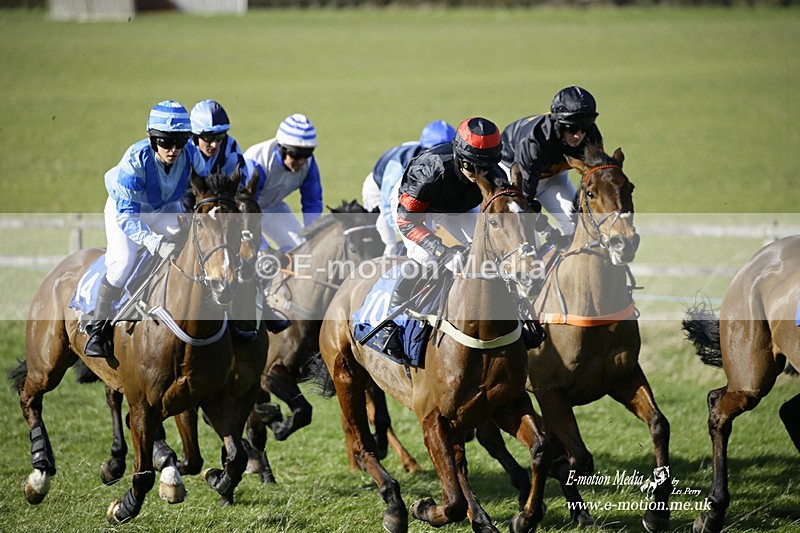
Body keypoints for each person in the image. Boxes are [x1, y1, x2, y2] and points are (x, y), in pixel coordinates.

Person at [84, 100, 207, 358]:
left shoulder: (192, 154)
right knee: (123, 263)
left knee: (191, 242)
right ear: (153, 139)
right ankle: (98, 329)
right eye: (165, 142)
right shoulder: (134, 159)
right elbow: (128, 217)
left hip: (163, 207)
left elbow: (205, 187)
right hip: (127, 210)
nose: (173, 150)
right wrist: (155, 243)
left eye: (180, 142)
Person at [500, 85, 603, 240]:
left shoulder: (591, 136)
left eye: (584, 128)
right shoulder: (535, 141)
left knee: (580, 227)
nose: (578, 136)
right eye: (572, 128)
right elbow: (525, 196)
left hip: (553, 176)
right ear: (558, 123)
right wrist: (545, 229)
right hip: (515, 176)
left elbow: (598, 178)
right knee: (526, 237)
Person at [361, 120, 456, 256]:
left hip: (415, 187)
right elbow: (389, 205)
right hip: (380, 189)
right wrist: (403, 232)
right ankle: (387, 259)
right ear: (425, 149)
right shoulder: (400, 164)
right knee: (390, 238)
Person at [243, 113, 323, 253]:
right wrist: (263, 248)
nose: (302, 161)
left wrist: (313, 234)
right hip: (242, 214)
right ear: (282, 148)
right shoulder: (257, 162)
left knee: (303, 250)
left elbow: (313, 202)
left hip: (273, 208)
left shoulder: (309, 164)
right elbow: (245, 211)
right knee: (258, 255)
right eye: (296, 154)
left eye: (307, 154)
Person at [189, 99, 245, 176]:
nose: (214, 145)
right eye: (208, 137)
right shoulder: (181, 150)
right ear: (194, 135)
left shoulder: (231, 148)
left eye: (220, 136)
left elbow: (242, 185)